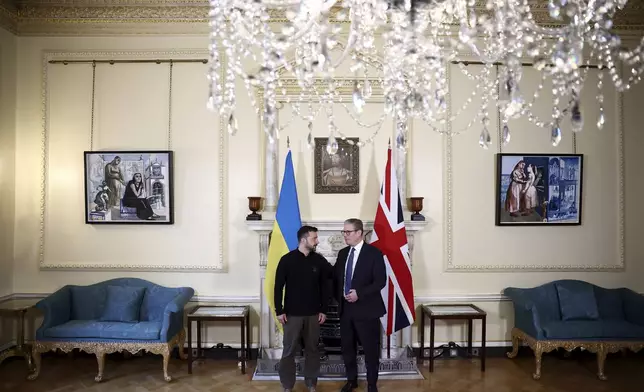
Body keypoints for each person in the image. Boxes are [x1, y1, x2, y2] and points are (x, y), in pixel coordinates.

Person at [274, 225, 333, 392]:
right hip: (291, 315)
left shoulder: (319, 260)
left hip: (314, 314)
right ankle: (287, 385)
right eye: (314, 238)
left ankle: (311, 384)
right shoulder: (286, 260)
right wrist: (279, 310)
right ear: (303, 239)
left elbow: (327, 285)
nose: (317, 241)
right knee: (289, 351)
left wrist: (324, 310)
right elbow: (278, 287)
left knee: (313, 350)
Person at [333, 218, 386, 392]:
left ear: (359, 233)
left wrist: (359, 294)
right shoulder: (342, 254)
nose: (345, 235)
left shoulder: (374, 253)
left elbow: (380, 281)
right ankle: (351, 380)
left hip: (367, 310)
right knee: (348, 348)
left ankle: (372, 384)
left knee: (370, 350)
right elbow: (336, 279)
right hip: (346, 310)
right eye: (344, 232)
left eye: (348, 232)